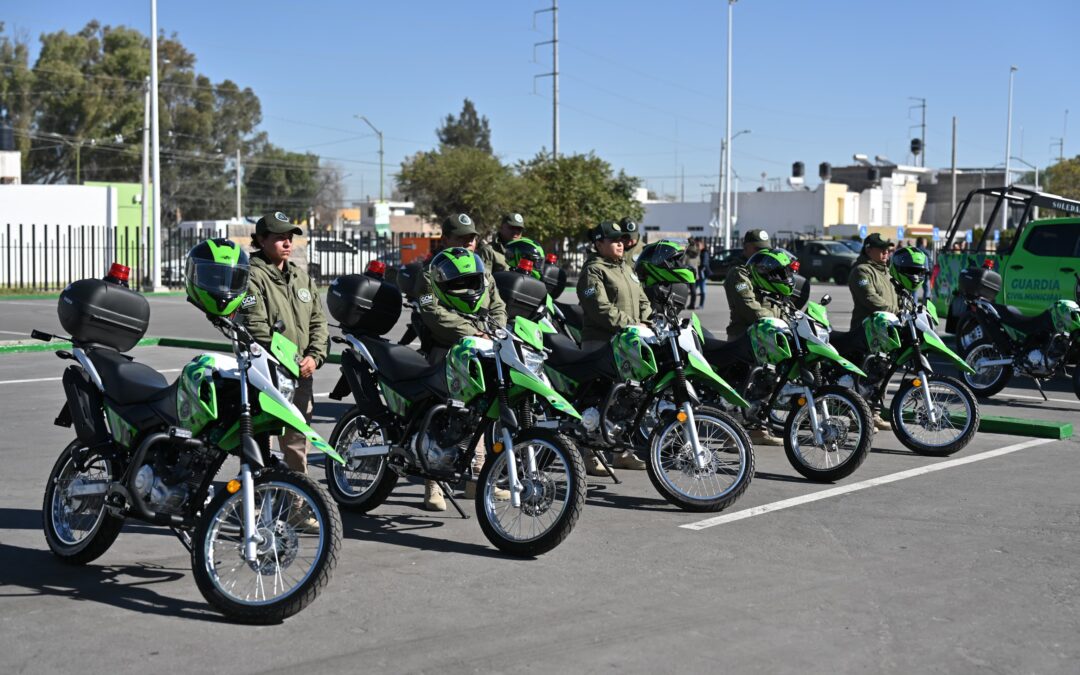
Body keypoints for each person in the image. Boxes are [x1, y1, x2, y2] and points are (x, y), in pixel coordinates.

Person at [416, 213, 509, 510]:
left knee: (479, 413)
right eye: (461, 238)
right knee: (441, 412)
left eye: (472, 238)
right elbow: (433, 313)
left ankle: (477, 479)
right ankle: (434, 484)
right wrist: (472, 331)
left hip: (481, 350)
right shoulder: (431, 271)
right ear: (446, 239)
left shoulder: (482, 270)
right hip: (444, 349)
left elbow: (497, 305)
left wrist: (493, 331)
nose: (469, 243)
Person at [240, 211, 329, 479]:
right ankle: (258, 498)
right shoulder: (251, 276)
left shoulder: (301, 278)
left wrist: (314, 356)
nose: (288, 244)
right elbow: (255, 326)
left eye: (289, 238)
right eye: (280, 238)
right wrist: (290, 359)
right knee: (261, 441)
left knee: (296, 442)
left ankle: (297, 502)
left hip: (301, 373)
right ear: (261, 240)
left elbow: (318, 322)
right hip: (265, 371)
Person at [577, 220, 652, 472]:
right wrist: (633, 324)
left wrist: (645, 321)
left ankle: (621, 451)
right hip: (601, 343)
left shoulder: (626, 268)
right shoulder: (594, 270)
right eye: (613, 239)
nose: (620, 243)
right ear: (598, 244)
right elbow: (599, 308)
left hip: (628, 341)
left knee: (627, 397)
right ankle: (589, 455)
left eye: (622, 239)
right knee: (597, 399)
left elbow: (643, 299)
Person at [848, 233, 899, 430]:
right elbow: (869, 298)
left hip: (885, 330)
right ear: (869, 250)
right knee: (863, 376)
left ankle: (873, 413)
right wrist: (895, 311)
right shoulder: (861, 271)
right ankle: (857, 417)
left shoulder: (885, 271)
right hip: (866, 331)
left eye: (888, 250)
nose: (886, 253)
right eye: (882, 249)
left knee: (881, 374)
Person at [724, 229, 782, 339]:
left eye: (766, 249)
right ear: (746, 248)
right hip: (745, 335)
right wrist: (776, 320)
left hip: (767, 331)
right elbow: (748, 306)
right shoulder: (738, 272)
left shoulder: (763, 269)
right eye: (758, 249)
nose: (762, 253)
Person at [684, 238, 701, 309]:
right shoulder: (697, 252)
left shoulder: (686, 252)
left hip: (687, 273)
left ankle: (683, 305)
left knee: (685, 290)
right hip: (694, 273)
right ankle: (692, 305)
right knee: (693, 291)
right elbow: (699, 263)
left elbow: (683, 263)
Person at [696, 243, 711, 308]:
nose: (697, 246)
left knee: (702, 289)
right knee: (694, 289)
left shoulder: (704, 253)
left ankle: (701, 305)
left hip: (702, 273)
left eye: (698, 245)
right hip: (699, 273)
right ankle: (693, 304)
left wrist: (701, 269)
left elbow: (704, 263)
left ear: (702, 246)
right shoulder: (699, 252)